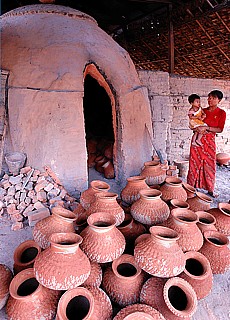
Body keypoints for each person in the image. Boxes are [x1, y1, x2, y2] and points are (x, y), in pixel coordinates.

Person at [187, 90, 226, 198]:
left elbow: (220, 129)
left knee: (210, 165)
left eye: (213, 98)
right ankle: (190, 188)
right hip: (197, 141)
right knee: (194, 164)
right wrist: (195, 128)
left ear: (219, 100)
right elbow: (192, 122)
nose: (210, 100)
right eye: (209, 97)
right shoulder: (201, 111)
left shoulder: (221, 113)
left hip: (209, 141)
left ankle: (210, 189)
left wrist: (207, 128)